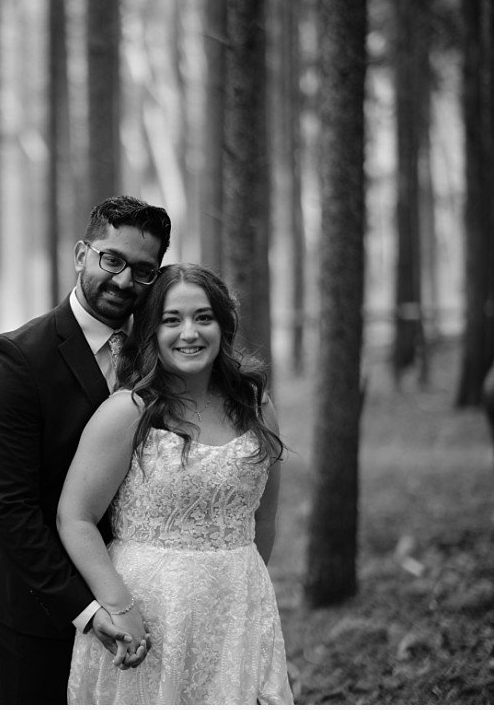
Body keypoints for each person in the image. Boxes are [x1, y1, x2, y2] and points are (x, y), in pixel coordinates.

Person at [57, 263, 294, 704]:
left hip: (236, 614)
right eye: (172, 319)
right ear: (151, 330)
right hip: (147, 614)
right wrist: (119, 607)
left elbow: (264, 518)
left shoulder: (256, 407)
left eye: (203, 317)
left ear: (223, 325)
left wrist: (237, 592)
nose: (190, 332)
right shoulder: (127, 412)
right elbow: (75, 517)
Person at [0, 195, 173, 704]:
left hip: (144, 600)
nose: (125, 280)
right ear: (83, 253)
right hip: (43, 610)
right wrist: (88, 610)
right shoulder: (19, 357)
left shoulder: (162, 352)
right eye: (113, 259)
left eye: (144, 270)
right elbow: (10, 510)